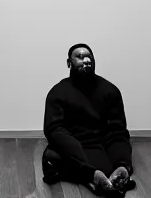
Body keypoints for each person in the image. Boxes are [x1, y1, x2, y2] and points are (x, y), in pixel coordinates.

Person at [42, 43, 136, 196]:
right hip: (75, 143)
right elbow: (54, 129)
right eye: (79, 57)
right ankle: (90, 175)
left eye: (89, 57)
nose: (86, 60)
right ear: (69, 63)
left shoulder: (110, 90)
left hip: (101, 143)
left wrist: (123, 164)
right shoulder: (58, 92)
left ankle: (115, 173)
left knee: (118, 149)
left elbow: (117, 130)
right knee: (60, 147)